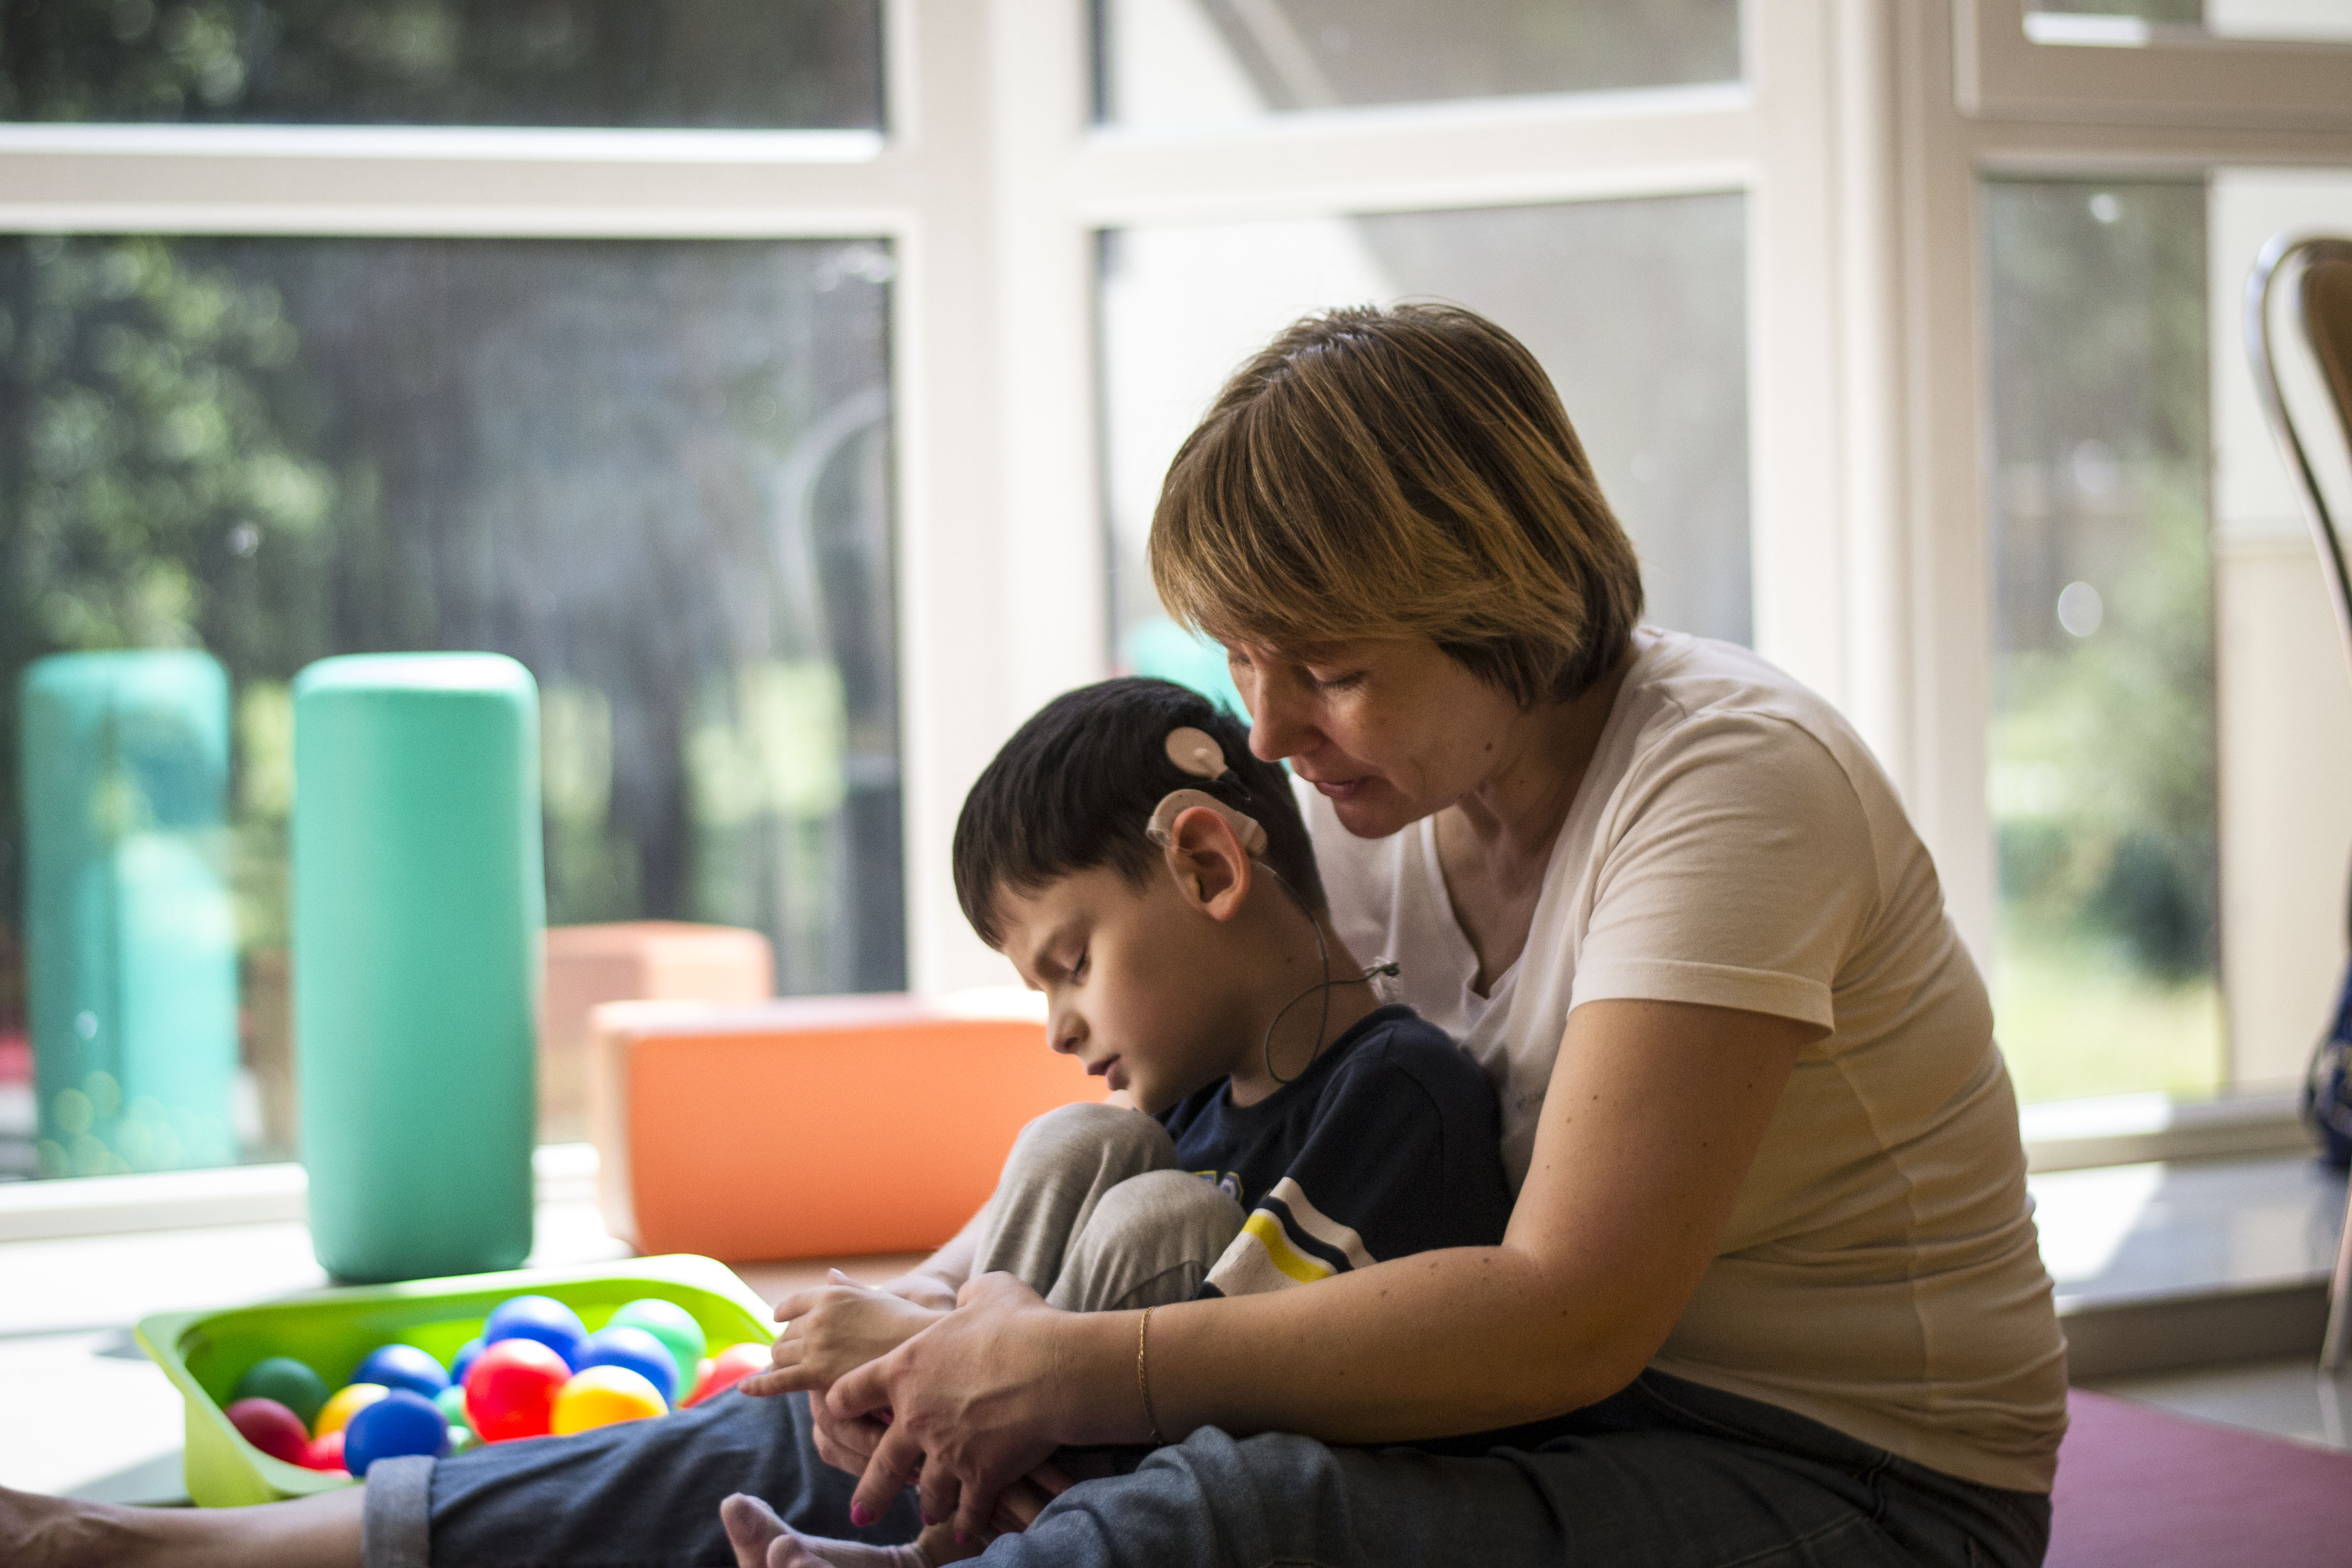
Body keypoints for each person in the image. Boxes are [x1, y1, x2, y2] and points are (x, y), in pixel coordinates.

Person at [1, 299, 2066, 1568]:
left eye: (1328, 666)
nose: (1270, 731)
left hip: (1846, 1485)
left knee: (1232, 1516)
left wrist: (1063, 1366)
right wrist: (949, 1333)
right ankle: (183, 1554)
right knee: (859, 1412)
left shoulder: (1730, 786)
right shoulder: (1380, 796)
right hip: (1546, 1415)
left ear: (1503, 594)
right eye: (1244, 662)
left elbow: (1564, 1320)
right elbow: (1186, 1128)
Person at [720, 676, 1515, 1567]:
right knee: (1078, 1140)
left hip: (1281, 1502)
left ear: (1207, 868)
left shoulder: (1397, 1095)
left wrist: (910, 1350)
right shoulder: (1190, 1100)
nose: (1058, 1029)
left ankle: (955, 1503)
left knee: (1164, 1221)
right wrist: (931, 1307)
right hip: (1110, 1456)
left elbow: (1246, 1373)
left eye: (1073, 965)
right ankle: (943, 1536)